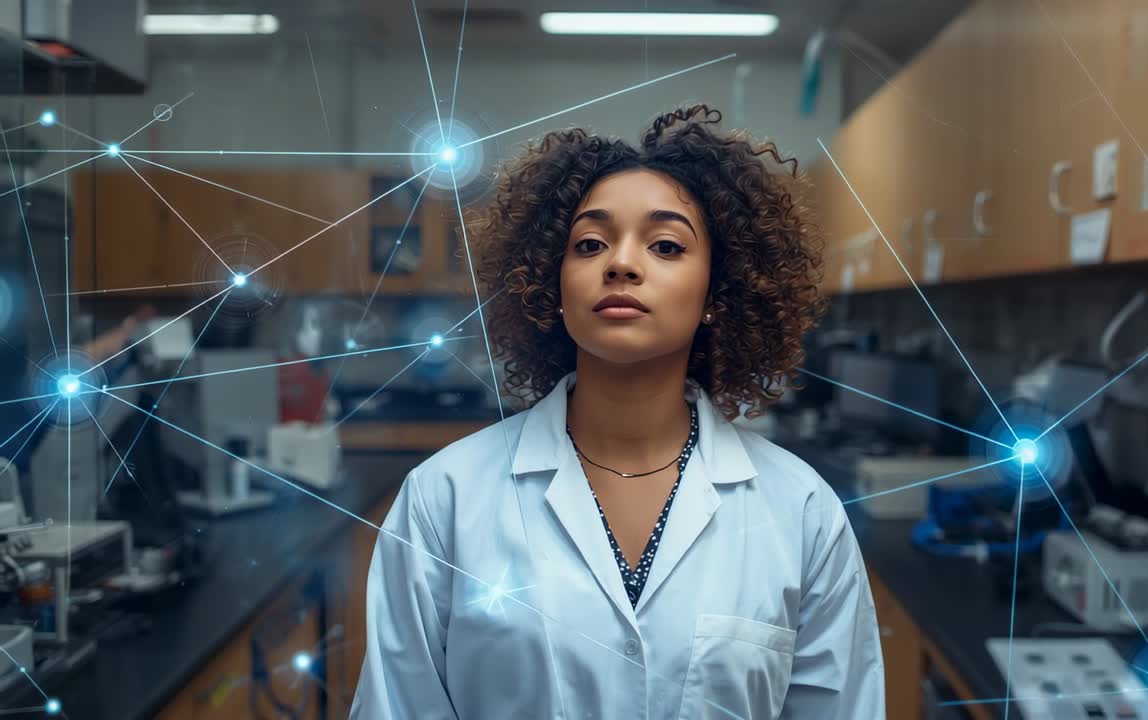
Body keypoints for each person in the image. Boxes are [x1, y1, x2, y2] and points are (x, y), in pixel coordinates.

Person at [352, 106, 885, 719]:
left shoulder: (801, 512)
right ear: (553, 287)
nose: (621, 263)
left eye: (664, 245)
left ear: (718, 294)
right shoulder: (443, 498)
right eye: (590, 244)